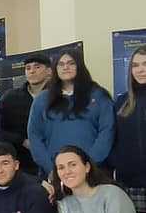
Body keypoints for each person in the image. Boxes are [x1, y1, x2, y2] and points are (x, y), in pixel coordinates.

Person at [27, 48, 115, 177]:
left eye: (71, 63)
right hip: (56, 172)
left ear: (79, 66)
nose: (66, 67)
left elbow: (107, 131)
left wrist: (89, 165)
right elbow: (34, 136)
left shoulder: (99, 96)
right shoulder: (42, 99)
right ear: (55, 69)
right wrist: (50, 168)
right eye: (61, 64)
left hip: (94, 171)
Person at [109, 46, 146, 213]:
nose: (141, 70)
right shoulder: (121, 102)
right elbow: (113, 139)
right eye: (136, 65)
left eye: (145, 64)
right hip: (130, 183)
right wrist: (118, 163)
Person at [0, 54, 51, 173]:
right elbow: (0, 129)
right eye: (28, 68)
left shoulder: (59, 96)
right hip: (23, 162)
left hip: (54, 157)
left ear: (49, 71)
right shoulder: (10, 98)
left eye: (37, 67)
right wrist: (22, 140)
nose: (32, 71)